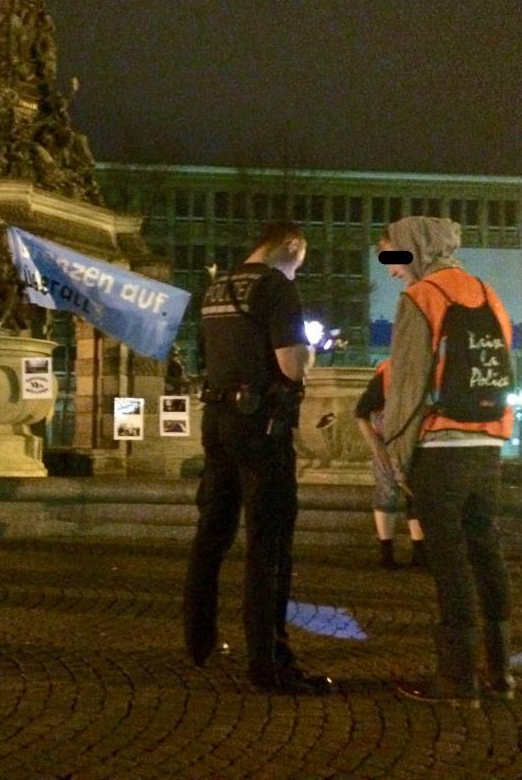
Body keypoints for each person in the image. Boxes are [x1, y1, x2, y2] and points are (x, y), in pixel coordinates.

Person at [184, 220, 333, 695]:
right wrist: (308, 354)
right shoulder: (275, 287)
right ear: (290, 246)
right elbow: (291, 364)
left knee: (212, 531)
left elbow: (206, 355)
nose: (297, 270)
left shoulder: (216, 289)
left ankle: (199, 639)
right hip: (261, 426)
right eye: (299, 260)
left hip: (218, 421)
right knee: (268, 545)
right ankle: (269, 663)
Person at [380, 216, 515, 708]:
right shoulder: (487, 292)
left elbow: (408, 383)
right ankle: (499, 672)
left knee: (449, 559)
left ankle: (458, 680)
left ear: (414, 249)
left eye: (393, 256)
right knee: (485, 549)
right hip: (488, 446)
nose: (391, 268)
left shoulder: (422, 297)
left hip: (440, 449)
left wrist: (396, 453)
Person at [355, 357, 426, 569]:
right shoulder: (390, 372)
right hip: (390, 439)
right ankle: (388, 553)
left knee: (414, 492)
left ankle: (417, 553)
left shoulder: (396, 369)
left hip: (412, 437)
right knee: (389, 490)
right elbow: (362, 413)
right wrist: (379, 449)